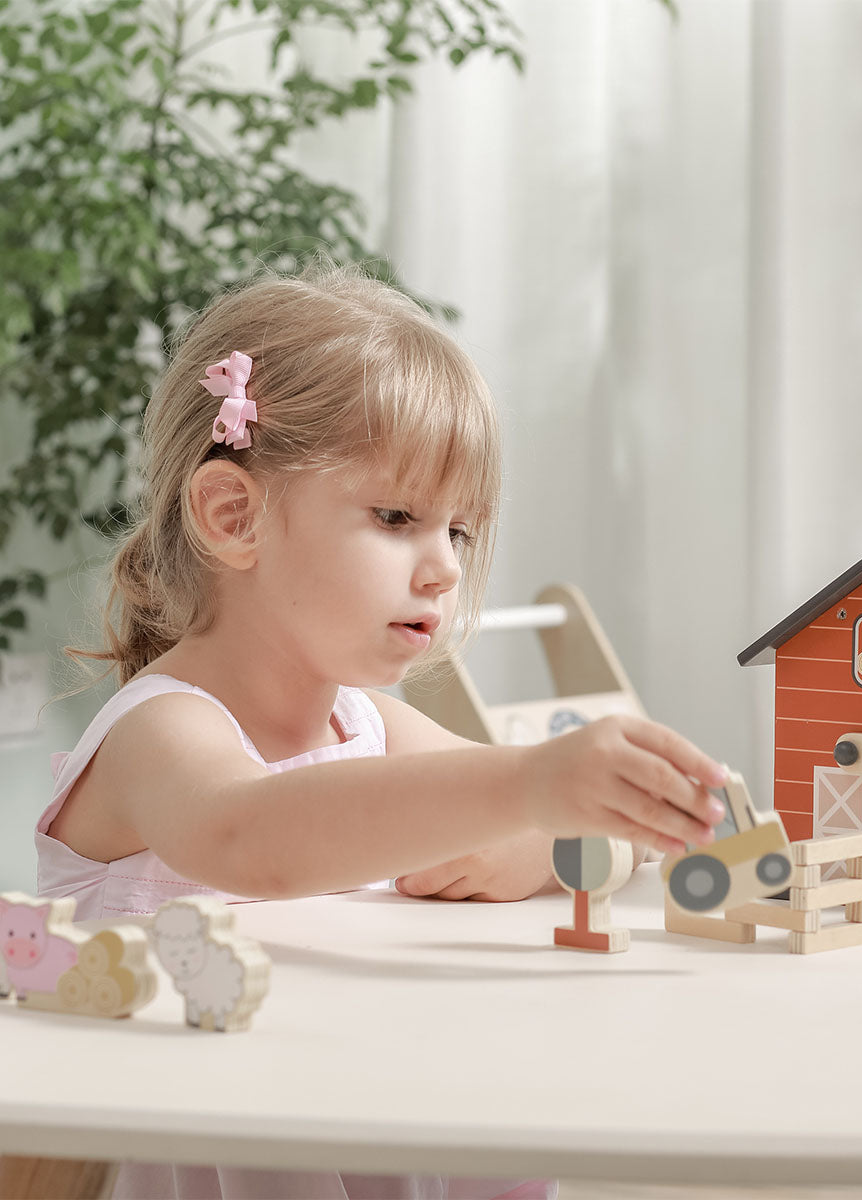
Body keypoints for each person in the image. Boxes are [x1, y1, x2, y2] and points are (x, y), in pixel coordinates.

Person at [36, 261, 728, 1200]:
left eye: (461, 532)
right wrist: (529, 786)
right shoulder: (159, 735)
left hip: (368, 1108)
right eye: (397, 517)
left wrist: (545, 840)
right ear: (234, 515)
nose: (443, 568)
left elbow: (552, 830)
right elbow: (255, 840)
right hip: (221, 1151)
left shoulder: (367, 726)